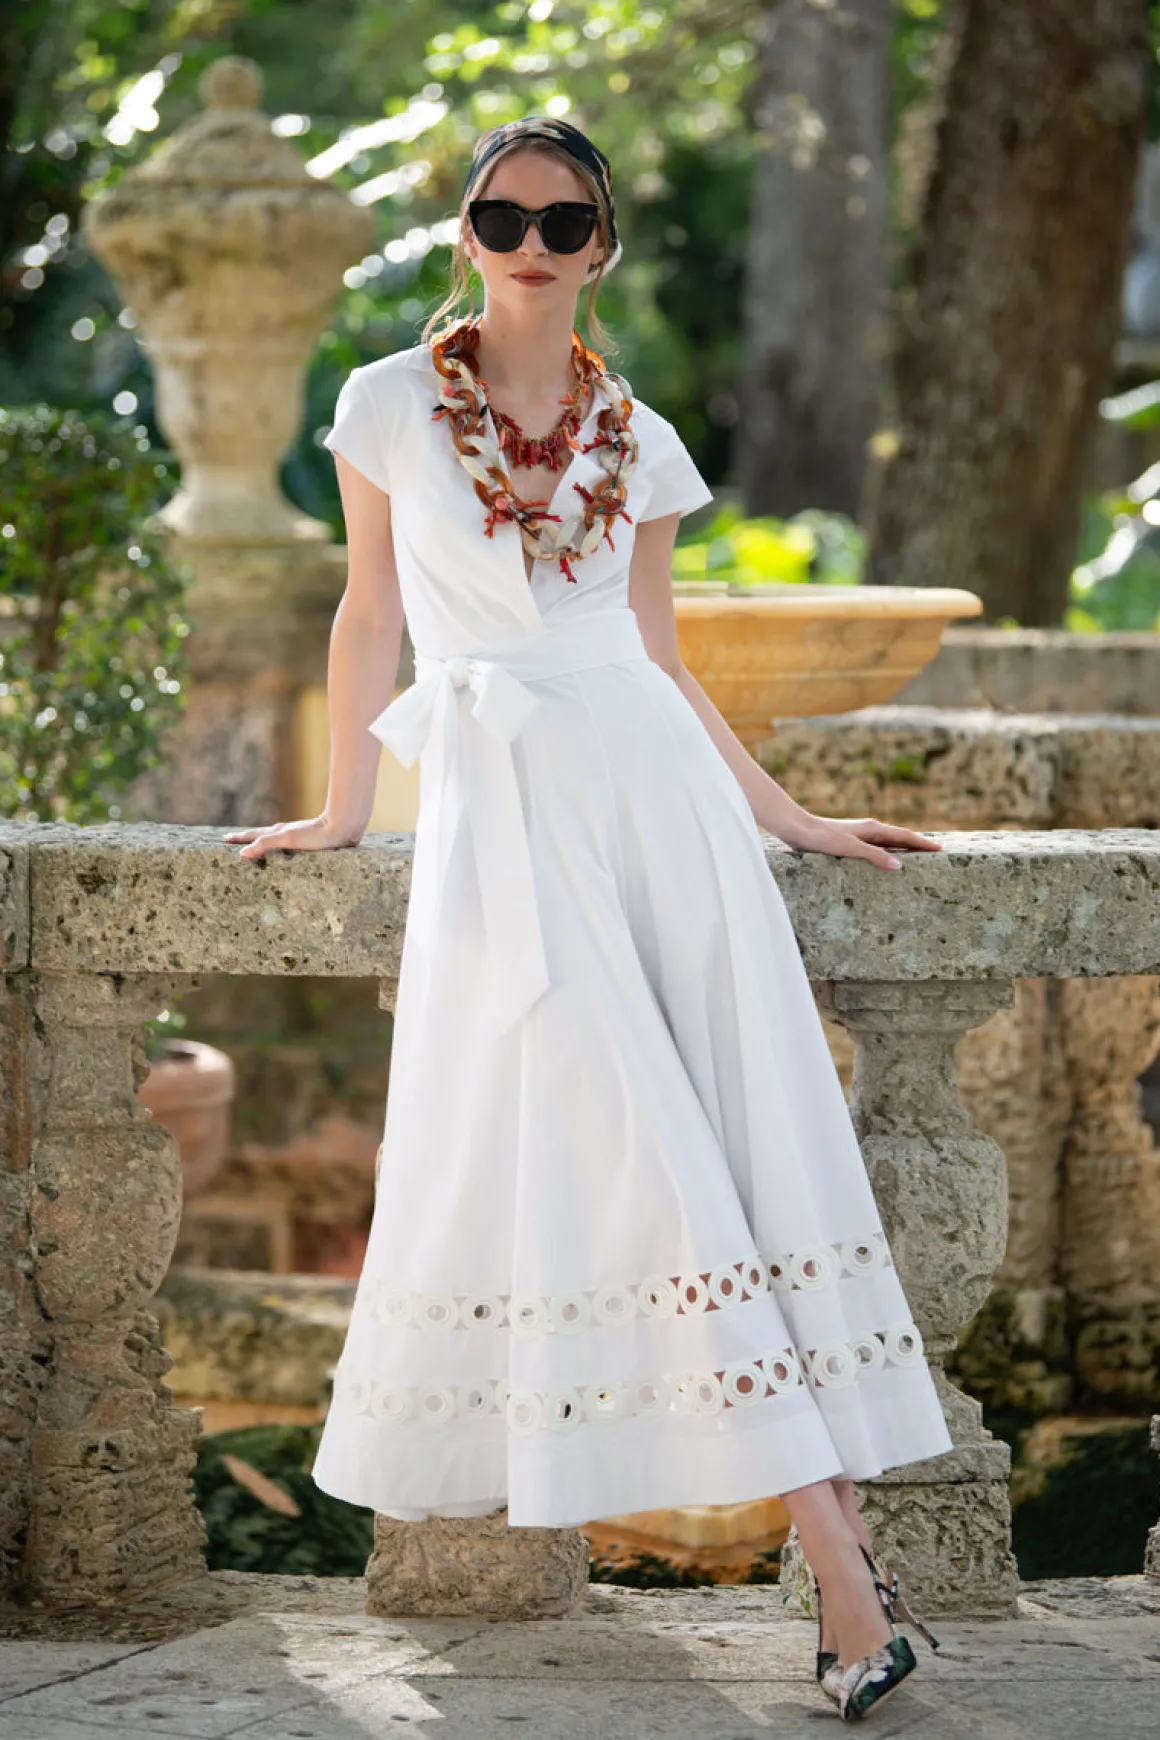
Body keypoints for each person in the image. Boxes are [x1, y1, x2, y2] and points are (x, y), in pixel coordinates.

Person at [224, 115, 954, 1721]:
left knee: (731, 1159)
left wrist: (788, 818)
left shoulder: (643, 434)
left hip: (657, 808)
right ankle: (845, 1575)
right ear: (466, 234)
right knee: (655, 1158)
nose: (535, 246)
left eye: (566, 222)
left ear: (602, 244)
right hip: (503, 808)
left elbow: (659, 658)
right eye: (505, 218)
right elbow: (368, 609)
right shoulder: (388, 403)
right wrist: (347, 811)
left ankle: (846, 1577)